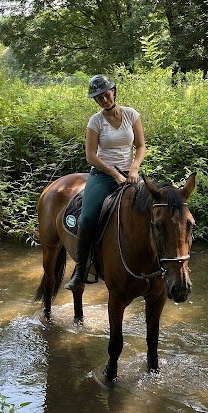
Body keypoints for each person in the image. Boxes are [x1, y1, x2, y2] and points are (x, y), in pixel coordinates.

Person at [64, 74, 146, 291]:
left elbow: (140, 146)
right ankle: (81, 270)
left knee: (154, 210)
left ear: (114, 91)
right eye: (98, 97)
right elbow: (91, 156)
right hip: (102, 174)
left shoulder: (131, 114)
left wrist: (134, 169)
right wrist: (113, 173)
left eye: (106, 94)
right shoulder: (96, 121)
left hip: (130, 174)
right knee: (88, 218)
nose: (103, 99)